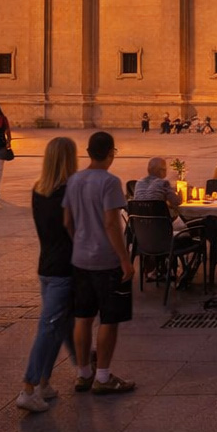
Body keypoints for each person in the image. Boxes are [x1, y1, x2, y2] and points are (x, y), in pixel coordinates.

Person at [63, 130, 136, 395]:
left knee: (83, 317)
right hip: (106, 261)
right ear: (109, 153)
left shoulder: (74, 180)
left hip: (80, 259)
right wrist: (125, 260)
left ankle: (83, 374)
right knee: (109, 319)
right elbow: (111, 223)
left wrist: (80, 244)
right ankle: (103, 377)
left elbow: (67, 222)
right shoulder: (110, 181)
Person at [18, 136, 78, 413]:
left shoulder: (38, 190)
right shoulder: (68, 193)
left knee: (61, 325)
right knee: (49, 326)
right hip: (64, 268)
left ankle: (45, 382)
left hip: (46, 265)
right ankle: (28, 388)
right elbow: (73, 231)